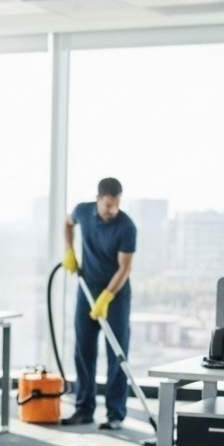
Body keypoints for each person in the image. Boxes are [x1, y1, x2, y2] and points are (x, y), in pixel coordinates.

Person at [61, 177, 137, 431]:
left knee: (117, 353)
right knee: (83, 349)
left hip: (115, 294)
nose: (112, 211)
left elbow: (125, 268)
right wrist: (69, 250)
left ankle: (115, 413)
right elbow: (67, 223)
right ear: (98, 200)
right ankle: (84, 409)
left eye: (116, 205)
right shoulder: (83, 211)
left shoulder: (127, 226)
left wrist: (106, 296)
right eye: (107, 205)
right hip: (87, 288)